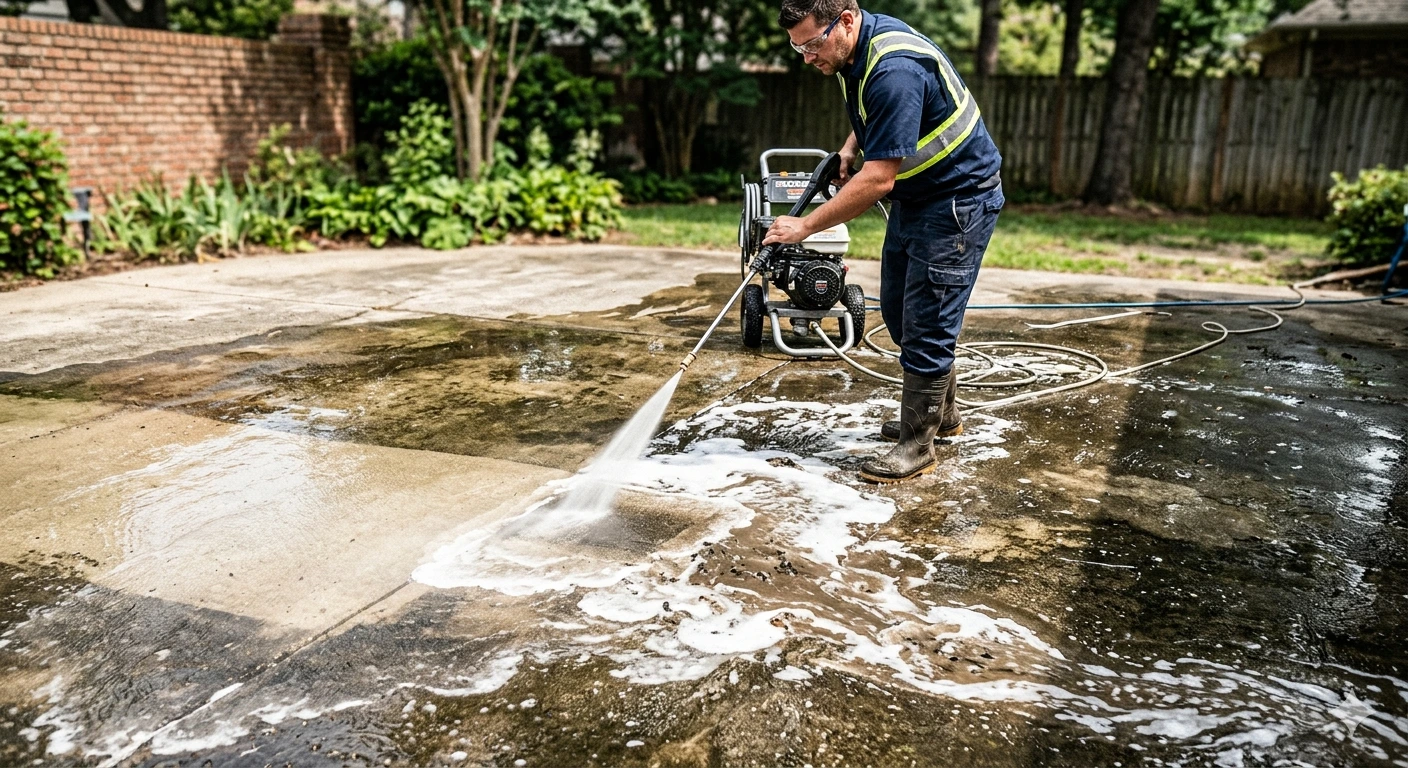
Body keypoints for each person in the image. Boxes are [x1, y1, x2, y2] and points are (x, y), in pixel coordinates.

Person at [763, 0, 1005, 484]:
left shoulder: (893, 66)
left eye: (812, 44)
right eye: (798, 48)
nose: (808, 57)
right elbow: (880, 114)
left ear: (845, 20)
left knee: (929, 322)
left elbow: (877, 181)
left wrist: (805, 227)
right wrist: (852, 145)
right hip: (919, 198)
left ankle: (918, 445)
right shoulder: (854, 51)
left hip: (958, 200)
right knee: (897, 311)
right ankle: (944, 417)